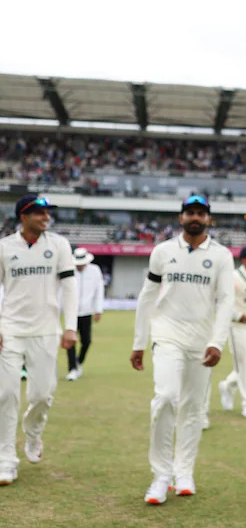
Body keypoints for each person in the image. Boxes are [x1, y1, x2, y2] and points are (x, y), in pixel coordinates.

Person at [130, 195, 234, 505]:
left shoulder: (221, 256)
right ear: (181, 217)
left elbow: (226, 300)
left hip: (201, 341)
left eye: (201, 213)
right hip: (167, 336)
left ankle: (184, 471)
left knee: (193, 409)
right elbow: (147, 297)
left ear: (208, 219)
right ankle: (161, 475)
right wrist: (139, 343)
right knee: (165, 398)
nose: (195, 218)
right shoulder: (162, 252)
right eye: (190, 212)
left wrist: (217, 342)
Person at [0, 195, 77, 486]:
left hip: (46, 330)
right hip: (11, 330)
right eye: (39, 213)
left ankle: (33, 434)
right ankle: (6, 460)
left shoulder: (58, 246)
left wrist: (70, 327)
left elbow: (69, 287)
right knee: (6, 395)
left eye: (47, 213)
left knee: (42, 395)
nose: (46, 218)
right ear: (23, 216)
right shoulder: (5, 247)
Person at [218, 246, 246, 418]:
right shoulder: (233, 277)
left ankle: (228, 385)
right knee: (243, 366)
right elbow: (223, 300)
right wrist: (236, 316)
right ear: (244, 259)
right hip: (239, 327)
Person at [65, 247, 104, 381]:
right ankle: (72, 369)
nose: (79, 266)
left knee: (86, 341)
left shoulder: (95, 270)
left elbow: (99, 290)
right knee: (70, 341)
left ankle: (78, 362)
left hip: (87, 312)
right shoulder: (69, 270)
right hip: (71, 312)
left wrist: (98, 309)